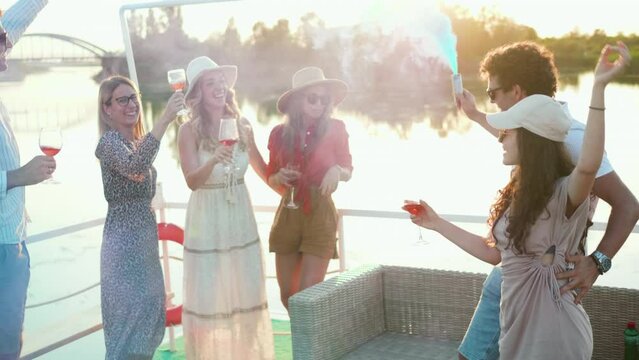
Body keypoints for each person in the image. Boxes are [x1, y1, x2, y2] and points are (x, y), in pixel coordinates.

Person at [410, 43, 630, 359]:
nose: (498, 128)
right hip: (510, 280)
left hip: (549, 288)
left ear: (516, 91)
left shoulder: (574, 142)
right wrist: (436, 223)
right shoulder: (524, 173)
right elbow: (493, 252)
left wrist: (598, 262)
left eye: (493, 95)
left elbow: (618, 195)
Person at [177, 56, 274, 359]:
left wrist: (288, 188)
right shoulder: (187, 131)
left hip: (239, 215)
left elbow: (261, 168)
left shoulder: (242, 124)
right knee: (208, 297)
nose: (219, 86)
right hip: (207, 217)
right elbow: (192, 181)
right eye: (210, 82)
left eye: (220, 80)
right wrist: (213, 159)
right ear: (198, 93)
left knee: (245, 289)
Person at [95, 75, 182, 359]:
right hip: (122, 248)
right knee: (126, 333)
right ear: (107, 108)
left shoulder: (135, 142)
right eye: (122, 100)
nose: (131, 104)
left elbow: (141, 161)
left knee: (151, 323)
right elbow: (136, 168)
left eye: (134, 98)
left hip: (144, 244)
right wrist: (166, 118)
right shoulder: (108, 143)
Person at [266, 66, 353, 309]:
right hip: (288, 212)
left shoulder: (336, 128)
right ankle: (305, 344)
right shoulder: (279, 133)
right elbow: (271, 175)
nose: (319, 104)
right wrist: (279, 177)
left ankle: (314, 345)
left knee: (308, 297)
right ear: (297, 101)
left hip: (320, 211)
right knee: (288, 296)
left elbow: (348, 168)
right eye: (312, 98)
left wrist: (337, 170)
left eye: (324, 99)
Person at [0, 2, 52, 360]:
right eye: (1, 53)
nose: (6, 62)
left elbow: (16, 20)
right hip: (3, 248)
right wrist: (18, 176)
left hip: (13, 241)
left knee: (10, 339)